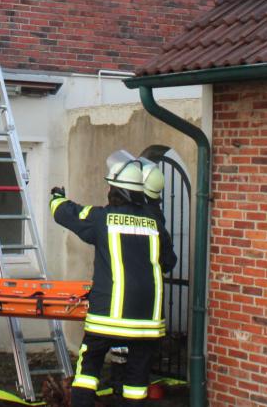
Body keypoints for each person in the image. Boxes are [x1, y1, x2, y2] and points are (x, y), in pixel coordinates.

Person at [50, 150, 176, 406]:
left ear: (114, 190)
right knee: (137, 382)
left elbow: (67, 213)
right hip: (146, 322)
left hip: (107, 317)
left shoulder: (101, 219)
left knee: (88, 373)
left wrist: (56, 198)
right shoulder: (155, 223)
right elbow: (169, 262)